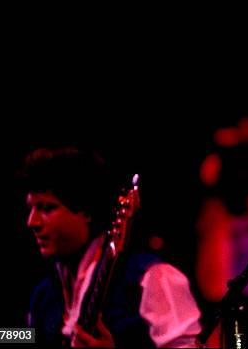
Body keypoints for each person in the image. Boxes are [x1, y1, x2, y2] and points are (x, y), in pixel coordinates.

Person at [21, 147, 201, 347]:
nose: (32, 222)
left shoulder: (151, 277)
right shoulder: (43, 296)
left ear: (86, 212)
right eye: (31, 209)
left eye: (47, 208)